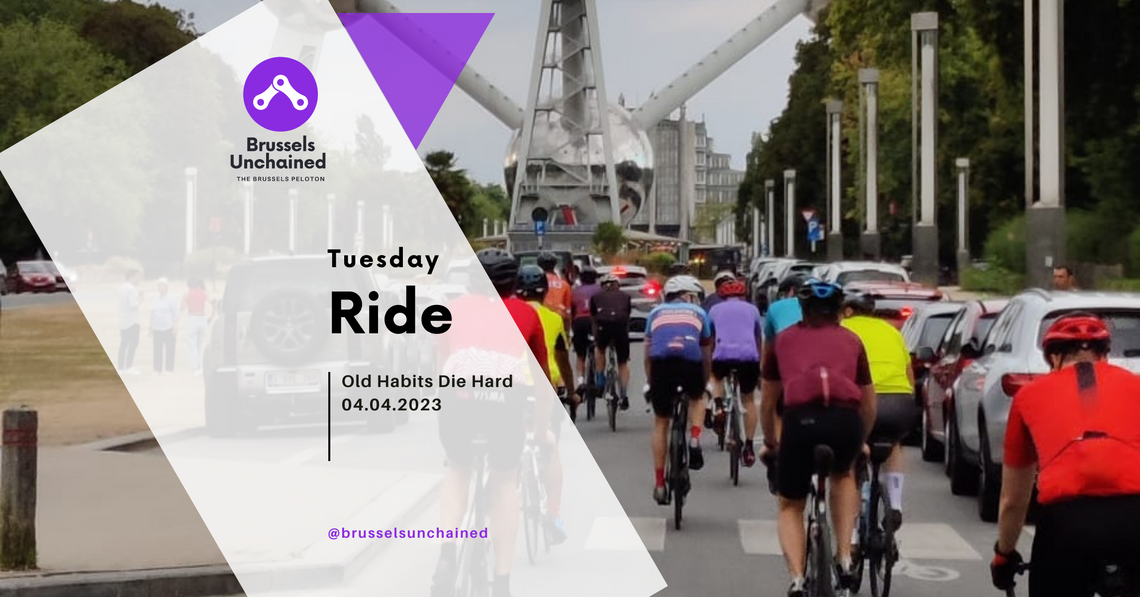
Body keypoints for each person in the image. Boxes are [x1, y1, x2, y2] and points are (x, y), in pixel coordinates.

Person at [991, 313, 1140, 597]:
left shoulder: (1028, 397)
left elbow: (1013, 500)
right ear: (1104, 355)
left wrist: (1004, 554)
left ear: (1054, 359)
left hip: (1067, 522)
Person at [432, 248, 552, 597]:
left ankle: (447, 555)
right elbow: (542, 382)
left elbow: (441, 366)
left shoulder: (451, 311)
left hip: (460, 399)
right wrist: (542, 428)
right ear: (512, 283)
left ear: (471, 281)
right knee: (504, 483)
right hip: (504, 401)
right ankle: (502, 582)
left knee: (457, 470)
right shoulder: (527, 314)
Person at [760, 279, 877, 597]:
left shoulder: (782, 342)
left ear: (803, 309)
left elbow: (769, 401)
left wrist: (771, 443)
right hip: (845, 422)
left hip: (800, 421)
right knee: (843, 473)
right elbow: (868, 402)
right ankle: (844, 557)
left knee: (790, 505)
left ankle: (797, 578)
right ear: (840, 311)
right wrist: (860, 440)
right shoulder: (853, 341)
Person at [840, 292, 917, 534]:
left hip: (862, 400)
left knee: (849, 460)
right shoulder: (892, 331)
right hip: (899, 400)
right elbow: (909, 376)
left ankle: (850, 537)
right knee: (893, 444)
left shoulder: (843, 328)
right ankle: (895, 503)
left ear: (849, 311)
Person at [516, 264, 576, 545]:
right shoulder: (552, 319)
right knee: (550, 448)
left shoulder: (508, 314)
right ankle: (553, 514)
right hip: (544, 389)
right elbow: (563, 359)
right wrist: (573, 391)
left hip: (510, 389)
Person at [644, 276, 712, 505]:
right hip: (690, 363)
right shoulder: (700, 313)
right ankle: (694, 439)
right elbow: (706, 354)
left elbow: (648, 353)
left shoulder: (654, 313)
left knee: (661, 422)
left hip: (661, 366)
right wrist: (704, 382)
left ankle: (660, 484)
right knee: (697, 397)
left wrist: (649, 382)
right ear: (688, 294)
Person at [707, 277, 764, 467]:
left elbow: (710, 337)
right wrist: (760, 362)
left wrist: (710, 359)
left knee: (716, 377)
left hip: (723, 356)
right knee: (748, 399)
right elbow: (758, 337)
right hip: (748, 357)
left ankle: (718, 405)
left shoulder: (714, 310)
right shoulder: (753, 309)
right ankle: (748, 446)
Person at [590, 273, 633, 410]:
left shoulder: (595, 297)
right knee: (623, 362)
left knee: (600, 350)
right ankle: (624, 393)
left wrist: (595, 335)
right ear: (617, 285)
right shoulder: (626, 296)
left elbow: (594, 317)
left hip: (603, 328)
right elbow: (627, 315)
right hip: (620, 329)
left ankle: (601, 380)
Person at [570, 267, 602, 395]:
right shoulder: (600, 290)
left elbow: (572, 310)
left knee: (580, 355)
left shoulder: (575, 291)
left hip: (579, 321)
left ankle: (580, 381)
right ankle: (599, 379)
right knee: (599, 349)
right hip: (594, 322)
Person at [150, 277, 179, 374]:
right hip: (157, 327)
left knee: (170, 348)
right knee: (157, 349)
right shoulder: (155, 299)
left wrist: (175, 327)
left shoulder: (172, 299)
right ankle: (157, 369)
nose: (161, 288)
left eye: (163, 286)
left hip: (168, 327)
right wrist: (151, 327)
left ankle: (169, 368)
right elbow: (153, 313)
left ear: (167, 287)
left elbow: (176, 314)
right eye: (159, 286)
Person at [182, 277, 210, 375]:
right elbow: (213, 302)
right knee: (201, 344)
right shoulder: (204, 293)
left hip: (192, 317)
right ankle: (201, 367)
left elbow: (182, 307)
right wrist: (212, 316)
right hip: (202, 317)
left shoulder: (187, 294)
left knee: (192, 344)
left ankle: (194, 367)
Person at [117, 269, 142, 375]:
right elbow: (133, 305)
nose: (139, 280)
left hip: (123, 319)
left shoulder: (121, 287)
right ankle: (129, 366)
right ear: (131, 277)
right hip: (132, 320)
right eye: (137, 277)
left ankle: (120, 367)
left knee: (124, 343)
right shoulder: (132, 289)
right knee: (133, 343)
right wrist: (140, 299)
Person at [538, 252, 571, 327]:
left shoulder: (536, 283)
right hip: (559, 320)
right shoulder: (564, 284)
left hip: (540, 321)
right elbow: (568, 311)